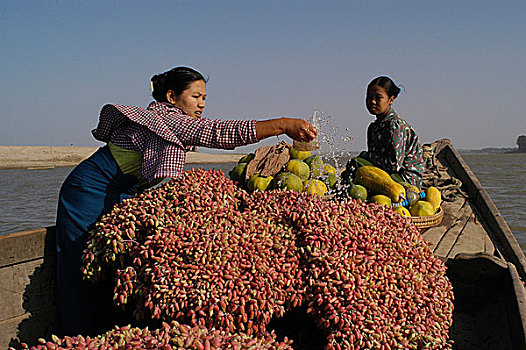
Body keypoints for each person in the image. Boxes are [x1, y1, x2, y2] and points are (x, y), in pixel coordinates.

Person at [54, 66, 317, 336]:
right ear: (171, 96)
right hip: (89, 188)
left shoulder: (174, 120)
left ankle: (105, 331)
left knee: (114, 265)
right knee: (82, 266)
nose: (202, 104)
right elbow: (220, 133)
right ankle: (76, 335)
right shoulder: (167, 119)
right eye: (195, 97)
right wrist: (283, 124)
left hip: (125, 190)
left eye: (204, 98)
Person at [349, 76, 423, 188]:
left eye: (378, 97)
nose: (372, 101)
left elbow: (394, 165)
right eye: (369, 97)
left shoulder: (395, 126)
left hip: (404, 181)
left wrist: (366, 156)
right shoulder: (373, 127)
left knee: (358, 163)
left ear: (391, 100)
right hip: (386, 175)